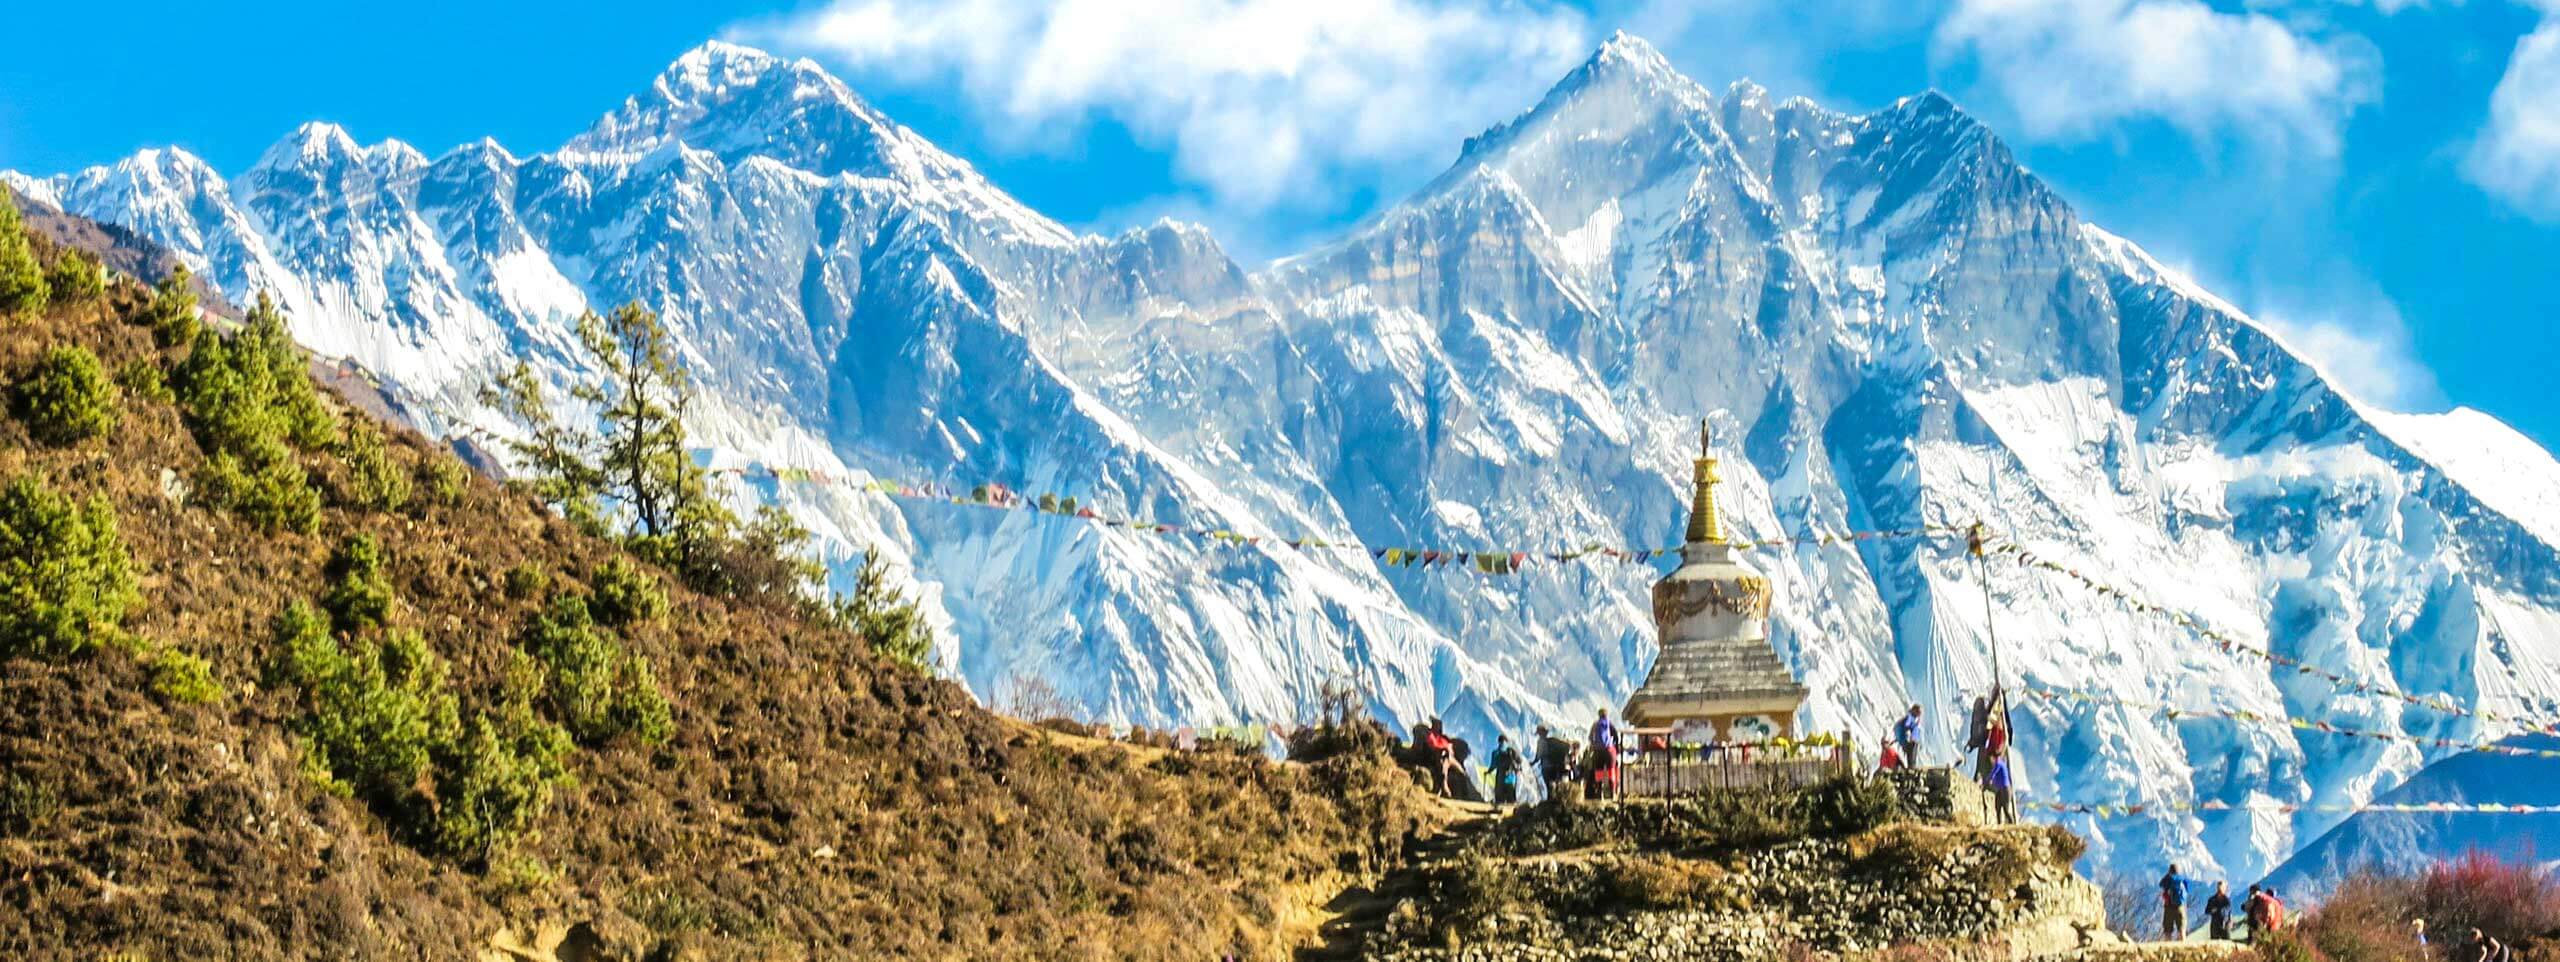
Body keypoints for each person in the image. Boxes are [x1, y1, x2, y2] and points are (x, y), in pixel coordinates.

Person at [1589, 709, 1621, 799]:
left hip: (1598, 752)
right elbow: (1616, 736)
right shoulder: (1609, 724)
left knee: (1599, 772)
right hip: (1609, 751)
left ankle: (1600, 793)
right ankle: (1612, 793)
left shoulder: (1595, 724)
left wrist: (1594, 745)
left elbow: (1590, 737)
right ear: (1607, 715)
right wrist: (1615, 748)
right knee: (1611, 771)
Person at [1422, 717, 1459, 797]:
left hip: (1447, 756)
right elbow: (1433, 746)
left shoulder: (1440, 737)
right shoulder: (1431, 735)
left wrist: (1448, 748)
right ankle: (1444, 787)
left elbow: (1446, 744)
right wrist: (1444, 749)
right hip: (1437, 757)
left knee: (1459, 769)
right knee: (1443, 766)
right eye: (1438, 726)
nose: (1439, 728)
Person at [1534, 724, 1572, 800]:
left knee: (1548, 784)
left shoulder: (1541, 742)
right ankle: (1557, 798)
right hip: (1555, 765)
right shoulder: (1552, 741)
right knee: (1555, 782)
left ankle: (1550, 799)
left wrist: (1533, 762)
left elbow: (1539, 755)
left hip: (1546, 766)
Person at [2159, 864, 2193, 941]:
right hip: (2181, 906)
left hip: (2169, 906)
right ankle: (2183, 945)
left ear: (2170, 870)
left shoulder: (2168, 879)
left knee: (2168, 931)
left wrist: (2167, 875)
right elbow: (2187, 890)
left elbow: (2161, 884)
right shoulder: (2183, 879)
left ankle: (2167, 946)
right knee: (2182, 929)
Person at [1489, 734, 1525, 806]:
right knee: (1510, 800)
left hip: (1500, 778)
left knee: (1500, 800)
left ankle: (1498, 809)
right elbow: (1520, 761)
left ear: (1498, 741)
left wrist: (1488, 772)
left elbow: (1493, 765)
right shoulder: (1511, 751)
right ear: (1507, 742)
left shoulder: (1495, 752)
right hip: (1511, 778)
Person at [1986, 754, 2014, 823]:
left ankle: (2013, 825)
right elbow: (1996, 779)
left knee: (2006, 810)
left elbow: (1993, 774)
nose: (1991, 761)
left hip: (2005, 789)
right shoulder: (2001, 763)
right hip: (2001, 789)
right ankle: (1999, 824)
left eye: (1991, 759)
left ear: (1993, 757)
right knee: (1997, 807)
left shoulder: (1998, 764)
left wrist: (1987, 780)